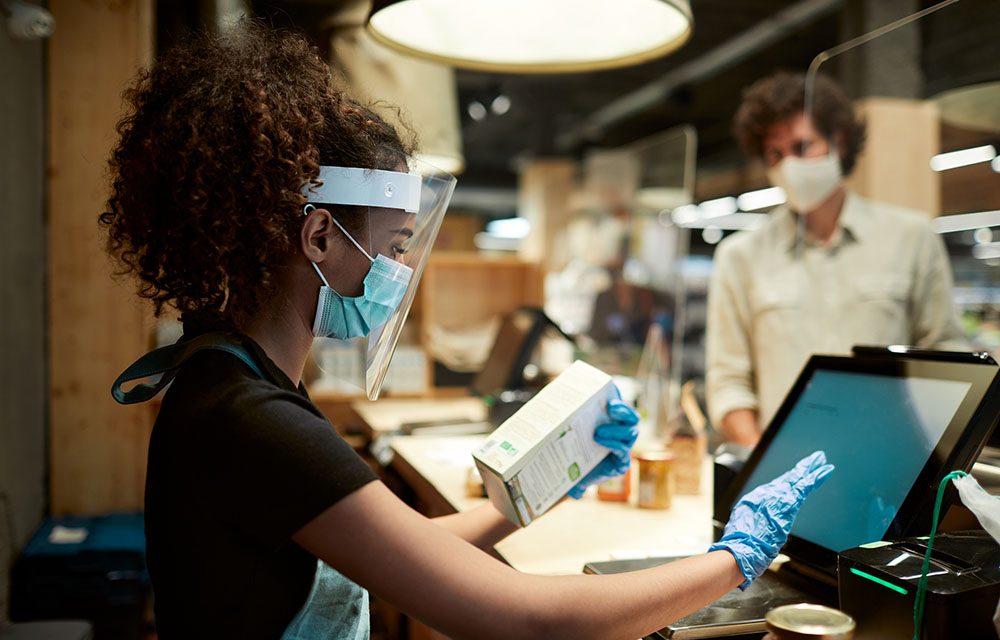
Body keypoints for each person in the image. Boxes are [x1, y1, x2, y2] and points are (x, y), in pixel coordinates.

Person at [102, 23, 832, 640]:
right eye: (392, 246)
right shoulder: (250, 418)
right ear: (319, 236)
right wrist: (736, 557)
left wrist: (540, 488)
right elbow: (525, 621)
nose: (396, 272)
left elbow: (405, 552)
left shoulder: (233, 379)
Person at [706, 71, 969, 449]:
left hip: (889, 461)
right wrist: (767, 465)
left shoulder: (909, 238)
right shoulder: (740, 257)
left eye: (802, 146)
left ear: (839, 142)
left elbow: (947, 355)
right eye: (775, 154)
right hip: (782, 468)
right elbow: (728, 380)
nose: (788, 165)